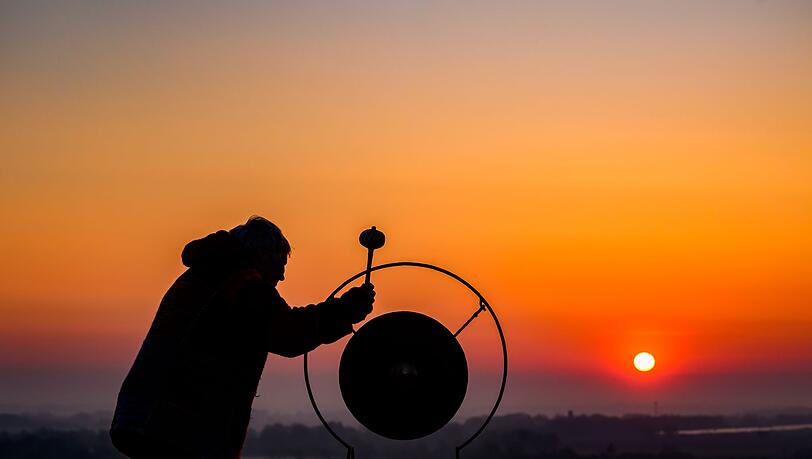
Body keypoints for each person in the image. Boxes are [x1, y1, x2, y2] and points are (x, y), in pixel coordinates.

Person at [110, 216, 375, 458]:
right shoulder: (242, 284)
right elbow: (287, 332)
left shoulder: (202, 276)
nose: (282, 276)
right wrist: (345, 310)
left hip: (145, 416)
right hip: (178, 424)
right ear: (260, 255)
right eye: (279, 264)